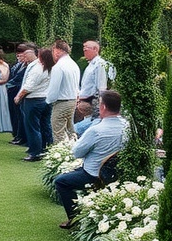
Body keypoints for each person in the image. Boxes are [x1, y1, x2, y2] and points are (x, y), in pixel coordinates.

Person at [55, 90, 127, 227]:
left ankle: (75, 218)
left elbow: (77, 153)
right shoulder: (127, 126)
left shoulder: (96, 130)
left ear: (103, 107)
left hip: (94, 174)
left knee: (61, 182)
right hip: (118, 172)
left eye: (99, 104)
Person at [15, 46, 53, 161]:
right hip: (46, 99)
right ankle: (46, 148)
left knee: (32, 127)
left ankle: (35, 152)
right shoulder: (52, 68)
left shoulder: (38, 69)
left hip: (34, 100)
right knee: (45, 125)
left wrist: (18, 96)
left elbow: (28, 87)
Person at [46, 39, 80, 144]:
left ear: (58, 51)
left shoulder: (59, 67)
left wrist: (48, 100)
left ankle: (60, 156)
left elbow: (54, 88)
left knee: (58, 131)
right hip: (72, 100)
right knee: (70, 131)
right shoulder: (74, 64)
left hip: (62, 102)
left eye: (53, 51)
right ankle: (72, 154)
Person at [74, 40, 108, 136]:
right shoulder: (91, 64)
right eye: (83, 47)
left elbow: (101, 86)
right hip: (85, 102)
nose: (84, 49)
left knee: (89, 127)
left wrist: (100, 105)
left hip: (92, 102)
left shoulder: (99, 64)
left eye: (87, 47)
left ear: (95, 49)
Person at [6, 43, 30, 145]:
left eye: (22, 55)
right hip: (13, 91)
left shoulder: (28, 67)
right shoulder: (19, 65)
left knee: (21, 116)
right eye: (19, 55)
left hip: (19, 91)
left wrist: (10, 83)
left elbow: (21, 80)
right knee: (15, 115)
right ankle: (17, 134)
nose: (20, 57)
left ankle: (21, 137)